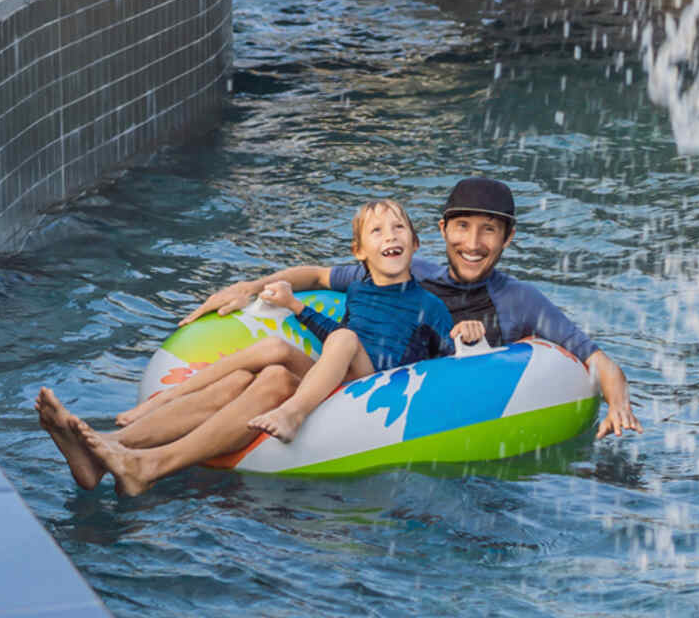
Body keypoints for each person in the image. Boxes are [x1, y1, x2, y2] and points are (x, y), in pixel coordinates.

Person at [35, 199, 480, 495]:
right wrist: (267, 294)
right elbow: (313, 275)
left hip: (375, 389)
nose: (390, 236)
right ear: (359, 251)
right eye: (378, 231)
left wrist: (469, 336)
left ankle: (287, 415)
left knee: (341, 340)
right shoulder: (357, 283)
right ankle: (114, 443)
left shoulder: (430, 306)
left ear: (417, 244)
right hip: (337, 375)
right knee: (272, 361)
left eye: (399, 228)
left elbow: (444, 366)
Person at [185, 177, 643, 438]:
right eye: (462, 227)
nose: (473, 243)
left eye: (489, 231)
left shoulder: (520, 300)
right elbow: (317, 276)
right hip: (367, 387)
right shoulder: (409, 272)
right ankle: (175, 418)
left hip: (446, 413)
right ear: (442, 229)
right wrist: (249, 285)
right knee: (263, 369)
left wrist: (618, 404)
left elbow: (598, 360)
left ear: (508, 238)